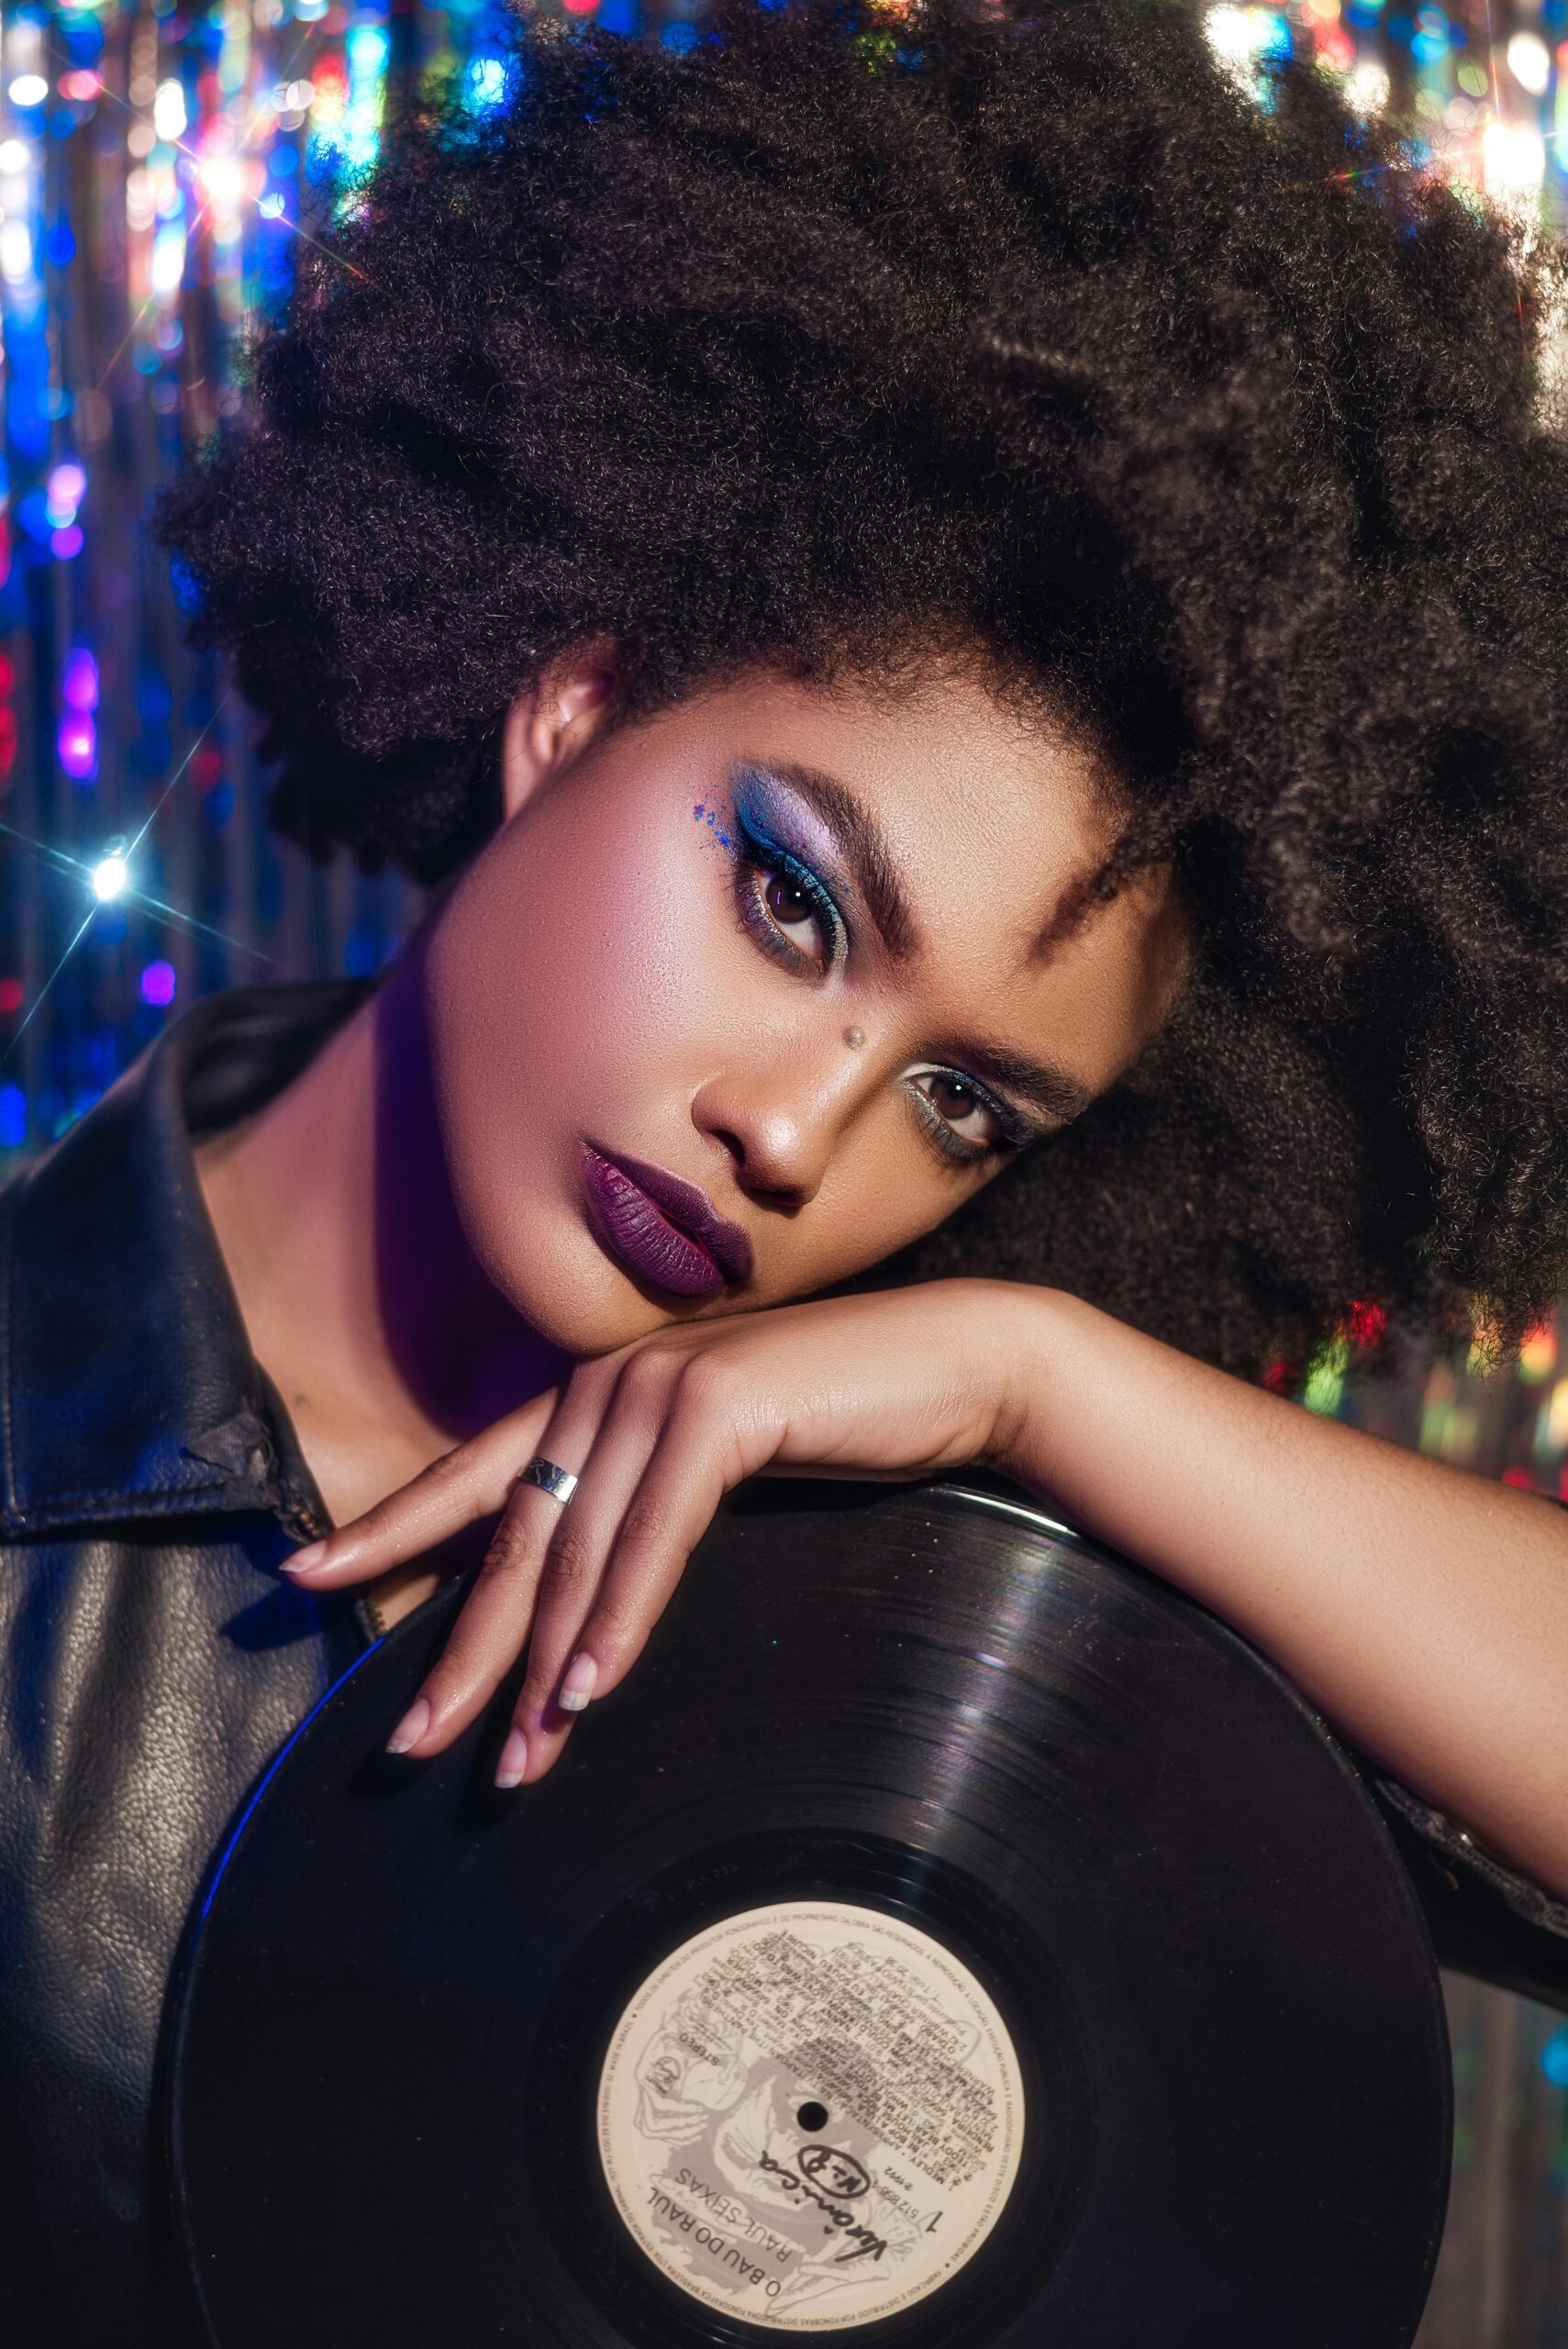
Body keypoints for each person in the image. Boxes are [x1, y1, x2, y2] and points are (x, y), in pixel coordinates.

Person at [4, 0, 1568, 2337]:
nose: (793, 1132)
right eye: (794, 901)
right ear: (572, 705)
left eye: (966, 1103)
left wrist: (1045, 1383)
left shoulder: (978, 1575)